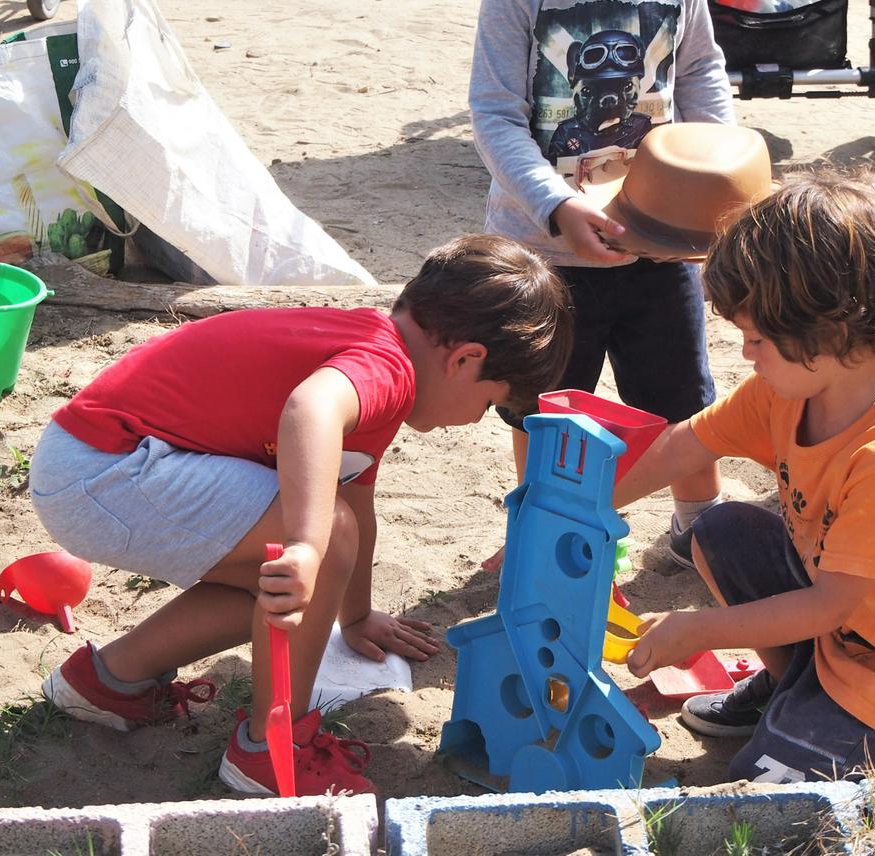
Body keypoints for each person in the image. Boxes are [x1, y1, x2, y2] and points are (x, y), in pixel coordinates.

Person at [30, 234, 574, 796]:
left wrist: (354, 615)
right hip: (107, 468)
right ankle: (273, 747)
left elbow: (357, 506)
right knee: (316, 541)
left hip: (97, 468)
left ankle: (106, 683)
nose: (477, 417)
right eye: (490, 405)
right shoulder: (385, 366)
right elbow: (309, 410)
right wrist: (308, 546)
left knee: (288, 585)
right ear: (465, 360)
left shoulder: (379, 358)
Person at [615, 171, 875, 784]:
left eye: (758, 338)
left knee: (756, 789)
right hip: (840, 636)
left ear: (830, 334)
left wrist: (700, 630)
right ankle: (790, 686)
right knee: (720, 529)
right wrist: (584, 504)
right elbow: (687, 444)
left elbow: (828, 605)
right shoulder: (785, 389)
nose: (747, 354)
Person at [469, 0, 736, 572]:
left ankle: (698, 522)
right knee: (543, 409)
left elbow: (700, 73)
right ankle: (543, 525)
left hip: (661, 241)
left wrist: (718, 171)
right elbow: (495, 114)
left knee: (681, 398)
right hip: (545, 252)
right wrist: (557, 205)